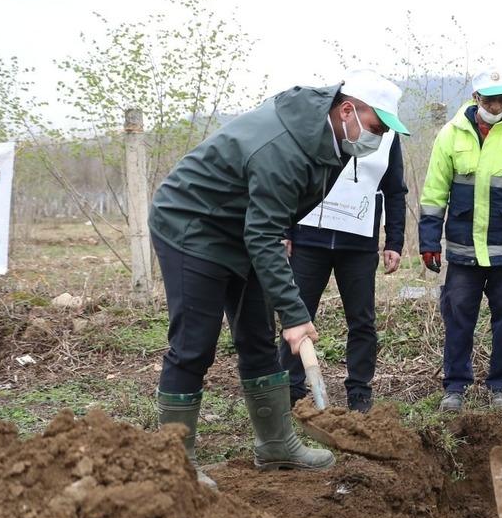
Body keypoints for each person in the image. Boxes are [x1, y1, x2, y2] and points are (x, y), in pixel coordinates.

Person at [149, 70, 411, 486]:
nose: (378, 139)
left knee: (257, 338)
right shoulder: (285, 146)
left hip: (244, 228)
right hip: (193, 224)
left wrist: (287, 308)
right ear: (347, 110)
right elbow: (265, 234)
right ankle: (175, 465)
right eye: (376, 128)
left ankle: (276, 445)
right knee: (194, 345)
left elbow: (266, 226)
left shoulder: (333, 140)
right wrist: (295, 315)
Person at [418, 70, 502, 411]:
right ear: (476, 97)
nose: (497, 106)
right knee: (458, 318)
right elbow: (434, 192)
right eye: (490, 99)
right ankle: (455, 387)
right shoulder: (450, 134)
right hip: (464, 251)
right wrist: (429, 241)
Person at [279, 86, 409, 414]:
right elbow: (290, 179)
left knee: (362, 320)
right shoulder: (323, 128)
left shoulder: (389, 138)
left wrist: (394, 241)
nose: (380, 131)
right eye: (377, 123)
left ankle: (360, 392)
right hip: (309, 238)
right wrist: (284, 230)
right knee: (298, 313)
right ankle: (291, 390)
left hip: (359, 243)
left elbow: (395, 190)